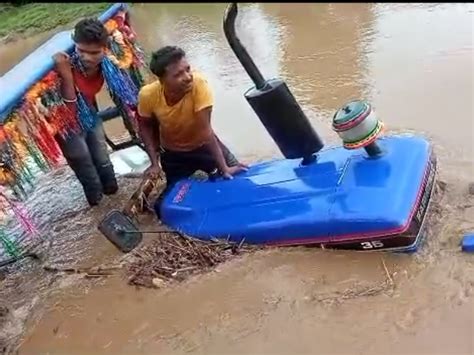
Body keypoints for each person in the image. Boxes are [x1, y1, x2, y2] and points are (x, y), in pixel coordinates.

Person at [137, 46, 248, 201]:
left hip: (204, 145)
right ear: (162, 80)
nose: (188, 77)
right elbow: (145, 127)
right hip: (173, 153)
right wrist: (154, 163)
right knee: (172, 201)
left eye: (188, 69)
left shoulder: (199, 84)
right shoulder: (148, 95)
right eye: (178, 75)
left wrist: (224, 168)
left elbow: (206, 130)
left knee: (239, 182)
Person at [53, 18, 118, 206]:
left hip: (88, 111)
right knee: (83, 161)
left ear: (104, 49)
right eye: (81, 51)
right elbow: (70, 109)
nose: (86, 58)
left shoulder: (107, 62)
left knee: (102, 157)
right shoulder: (67, 65)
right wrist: (66, 76)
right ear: (75, 47)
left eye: (94, 52)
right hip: (64, 120)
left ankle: (113, 197)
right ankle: (97, 205)